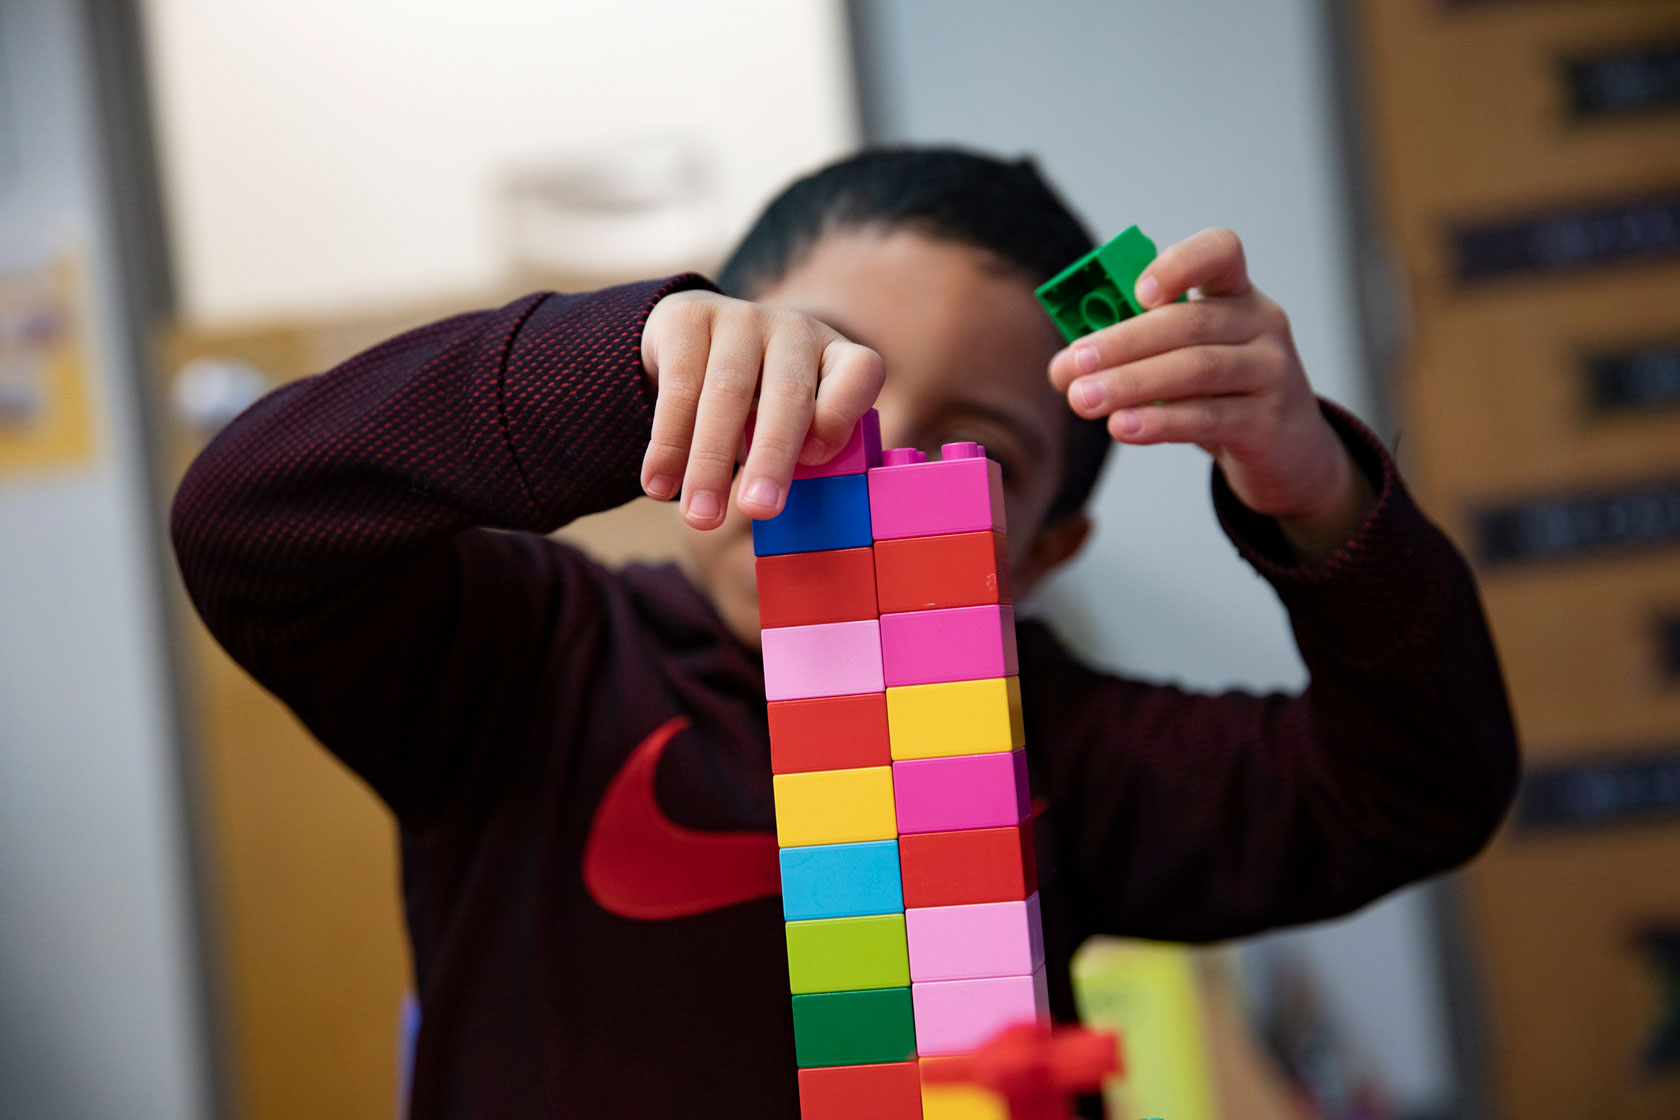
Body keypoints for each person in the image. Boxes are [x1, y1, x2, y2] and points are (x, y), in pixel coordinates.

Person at [171, 148, 1518, 1119]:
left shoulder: (1065, 746)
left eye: (971, 455)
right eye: (811, 375)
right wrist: (611, 360)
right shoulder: (530, 662)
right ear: (690, 394)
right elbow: (251, 520)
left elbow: (1424, 787)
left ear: (1044, 554)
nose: (872, 466)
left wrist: (1311, 488)